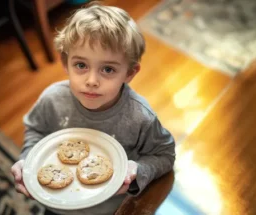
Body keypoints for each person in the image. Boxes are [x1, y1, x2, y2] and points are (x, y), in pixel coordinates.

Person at [11, 2, 176, 215]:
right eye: (81, 65)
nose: (91, 81)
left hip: (111, 209)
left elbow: (164, 155)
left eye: (107, 69)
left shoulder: (140, 117)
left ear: (129, 73)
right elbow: (36, 130)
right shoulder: (52, 99)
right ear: (65, 63)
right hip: (57, 204)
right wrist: (27, 159)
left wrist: (138, 169)